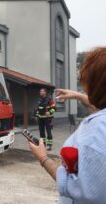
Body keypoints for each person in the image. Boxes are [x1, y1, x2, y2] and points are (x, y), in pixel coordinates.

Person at [29, 47, 106, 203]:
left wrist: (43, 158)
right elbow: (100, 106)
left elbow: (80, 188)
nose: (41, 93)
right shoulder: (40, 100)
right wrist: (78, 96)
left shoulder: (97, 130)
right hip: (41, 120)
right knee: (43, 135)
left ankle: (47, 147)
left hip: (48, 119)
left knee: (48, 136)